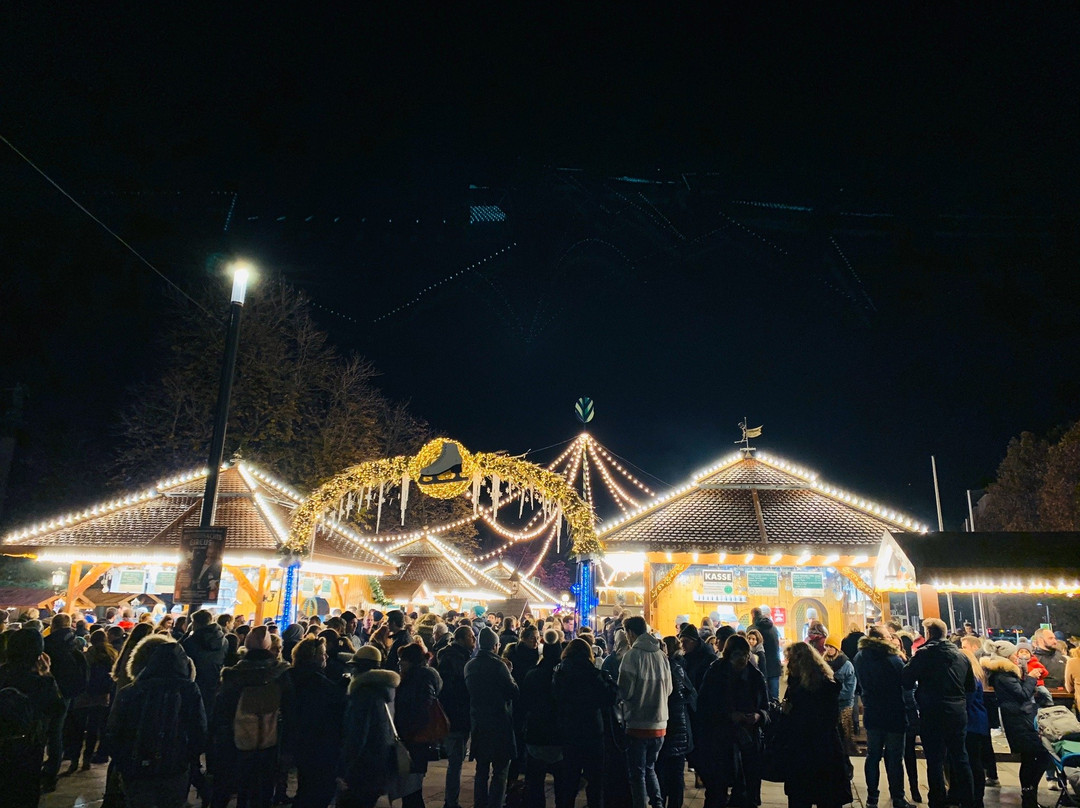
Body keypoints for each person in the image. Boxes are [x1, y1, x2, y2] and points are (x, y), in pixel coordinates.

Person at [106, 637, 206, 808]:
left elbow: (114, 731)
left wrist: (122, 762)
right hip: (175, 766)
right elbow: (199, 730)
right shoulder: (188, 690)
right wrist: (189, 759)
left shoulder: (131, 691)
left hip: (137, 767)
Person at [210, 625, 295, 808]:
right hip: (271, 740)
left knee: (241, 783)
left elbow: (222, 711)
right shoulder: (281, 674)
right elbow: (290, 709)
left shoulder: (233, 675)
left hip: (238, 740)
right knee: (264, 787)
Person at [901, 618, 974, 808]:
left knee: (934, 758)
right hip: (957, 711)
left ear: (928, 633)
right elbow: (970, 687)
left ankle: (938, 799)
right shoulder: (962, 656)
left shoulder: (924, 654)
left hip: (932, 710)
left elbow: (907, 680)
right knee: (960, 755)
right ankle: (967, 798)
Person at [697, 634, 768, 808]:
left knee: (745, 790)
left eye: (745, 654)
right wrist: (729, 716)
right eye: (738, 654)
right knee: (717, 790)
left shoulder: (755, 676)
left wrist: (759, 716)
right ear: (729, 654)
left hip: (748, 740)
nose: (742, 659)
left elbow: (766, 707)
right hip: (720, 740)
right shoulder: (716, 673)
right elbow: (705, 706)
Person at [781, 642, 853, 808]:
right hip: (824, 749)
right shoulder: (824, 683)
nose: (788, 664)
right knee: (825, 796)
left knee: (803, 797)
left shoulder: (805, 687)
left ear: (801, 662)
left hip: (808, 750)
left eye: (790, 660)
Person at [0, 628, 66, 805]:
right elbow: (58, 710)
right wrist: (47, 673)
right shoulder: (40, 682)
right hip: (28, 748)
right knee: (24, 795)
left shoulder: (3, 674)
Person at [981, 642, 1049, 808]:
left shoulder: (1008, 673)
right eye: (1014, 654)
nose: (1018, 656)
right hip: (1019, 720)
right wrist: (1032, 677)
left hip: (1021, 718)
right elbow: (1022, 694)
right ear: (1007, 656)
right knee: (1038, 755)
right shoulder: (1004, 675)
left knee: (1031, 757)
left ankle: (1029, 796)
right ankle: (1028, 794)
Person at [552, 637, 619, 808]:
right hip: (593, 732)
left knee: (569, 780)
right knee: (595, 780)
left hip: (569, 732)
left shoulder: (560, 674)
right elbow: (611, 697)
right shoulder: (594, 675)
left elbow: (555, 699)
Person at [854, 627, 913, 808]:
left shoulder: (860, 657)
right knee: (895, 757)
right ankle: (898, 797)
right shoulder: (893, 659)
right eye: (888, 636)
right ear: (881, 639)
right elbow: (906, 684)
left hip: (872, 710)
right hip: (894, 711)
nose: (891, 639)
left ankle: (872, 798)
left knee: (873, 755)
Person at [619, 616, 673, 808]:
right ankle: (658, 804)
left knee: (637, 774)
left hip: (638, 722)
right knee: (650, 768)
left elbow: (625, 691)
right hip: (660, 722)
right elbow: (669, 690)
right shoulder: (661, 656)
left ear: (631, 633)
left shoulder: (632, 656)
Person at [287, 636, 346, 808]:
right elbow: (332, 704)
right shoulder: (315, 681)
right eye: (323, 654)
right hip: (319, 745)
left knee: (305, 787)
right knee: (319, 791)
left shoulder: (293, 677)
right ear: (313, 657)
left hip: (300, 743)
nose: (326, 657)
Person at [339, 645, 399, 808]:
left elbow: (357, 735)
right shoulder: (386, 689)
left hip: (362, 768)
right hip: (380, 764)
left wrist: (344, 769)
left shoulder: (364, 694)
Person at [466, 627, 519, 808]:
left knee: (481, 770)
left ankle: (480, 804)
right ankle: (495, 804)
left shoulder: (470, 665)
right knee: (500, 769)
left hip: (479, 721)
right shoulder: (499, 665)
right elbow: (513, 691)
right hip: (499, 721)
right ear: (496, 646)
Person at [520, 634, 567, 808]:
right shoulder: (564, 676)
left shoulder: (532, 675)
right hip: (559, 734)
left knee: (535, 783)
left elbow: (524, 702)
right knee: (562, 785)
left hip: (536, 734)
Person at [394, 642, 443, 808]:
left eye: (403, 660)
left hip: (415, 739)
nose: (399, 663)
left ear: (412, 661)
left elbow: (422, 708)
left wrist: (408, 731)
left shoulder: (419, 679)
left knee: (411, 791)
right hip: (415, 738)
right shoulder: (418, 677)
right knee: (411, 790)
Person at [43, 613, 88, 774]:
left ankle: (48, 767)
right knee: (60, 729)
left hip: (52, 689)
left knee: (50, 730)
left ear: (53, 626)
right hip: (70, 692)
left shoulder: (48, 643)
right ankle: (55, 766)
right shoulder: (76, 642)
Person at [436, 625, 475, 808]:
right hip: (456, 716)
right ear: (461, 638)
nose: (473, 640)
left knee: (456, 761)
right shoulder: (455, 659)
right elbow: (453, 690)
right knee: (455, 762)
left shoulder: (456, 656)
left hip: (457, 715)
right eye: (471, 636)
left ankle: (451, 800)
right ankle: (451, 802)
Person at [657, 636, 695, 808]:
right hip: (680, 727)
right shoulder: (678, 668)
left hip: (667, 726)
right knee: (676, 775)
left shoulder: (663, 669)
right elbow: (691, 695)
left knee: (663, 773)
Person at [73, 629, 117, 769]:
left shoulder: (87, 655)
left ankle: (74, 760)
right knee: (94, 729)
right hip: (102, 696)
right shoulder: (111, 655)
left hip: (84, 695)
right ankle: (87, 758)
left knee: (79, 729)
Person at [957, 644, 989, 808]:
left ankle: (975, 797)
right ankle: (976, 796)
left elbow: (966, 702)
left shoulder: (969, 680)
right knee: (975, 761)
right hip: (978, 723)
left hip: (971, 723)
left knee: (972, 762)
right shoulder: (977, 677)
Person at [182, 608, 227, 718]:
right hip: (214, 681)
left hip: (196, 681)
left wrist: (186, 635)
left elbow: (183, 660)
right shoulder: (224, 641)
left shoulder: (191, 641)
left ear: (195, 623)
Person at [823, 643, 858, 755]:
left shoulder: (846, 664)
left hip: (844, 703)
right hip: (829, 703)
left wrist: (834, 694)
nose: (828, 649)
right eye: (827, 646)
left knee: (846, 729)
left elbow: (850, 687)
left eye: (831, 647)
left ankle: (848, 752)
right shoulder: (823, 663)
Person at [751, 606, 782, 700]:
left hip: (760, 667)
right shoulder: (774, 628)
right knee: (774, 698)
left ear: (752, 615)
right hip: (775, 665)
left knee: (762, 698)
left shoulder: (752, 629)